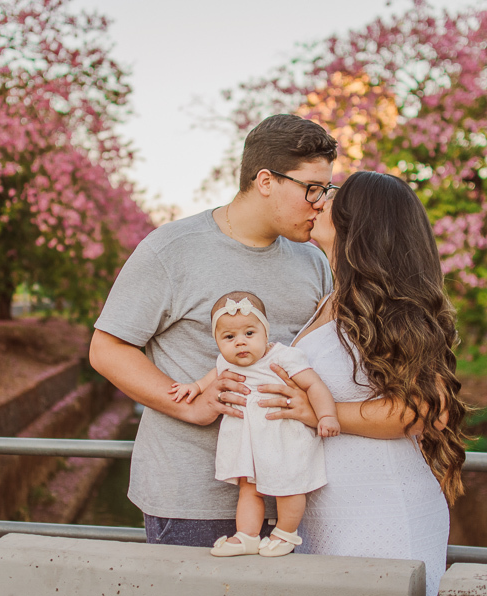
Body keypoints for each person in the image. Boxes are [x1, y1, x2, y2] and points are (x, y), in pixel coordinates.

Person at [89, 114, 338, 547]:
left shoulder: (314, 261)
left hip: (294, 502)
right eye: (312, 188)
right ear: (266, 180)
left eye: (326, 190)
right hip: (193, 502)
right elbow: (107, 348)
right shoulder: (171, 249)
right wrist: (189, 404)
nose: (320, 202)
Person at [255, 171, 467, 596]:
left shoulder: (394, 305)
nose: (318, 202)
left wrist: (320, 411)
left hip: (382, 507)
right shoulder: (333, 298)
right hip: (329, 508)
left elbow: (425, 408)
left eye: (331, 195)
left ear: (362, 219)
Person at [169, 291, 340, 557]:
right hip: (247, 439)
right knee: (249, 489)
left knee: (288, 485)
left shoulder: (283, 357)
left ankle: (285, 532)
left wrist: (326, 415)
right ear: (217, 341)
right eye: (229, 337)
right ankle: (247, 536)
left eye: (249, 333)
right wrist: (195, 387)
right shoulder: (225, 361)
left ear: (265, 331)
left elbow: (314, 385)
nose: (240, 343)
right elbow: (213, 376)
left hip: (280, 436)